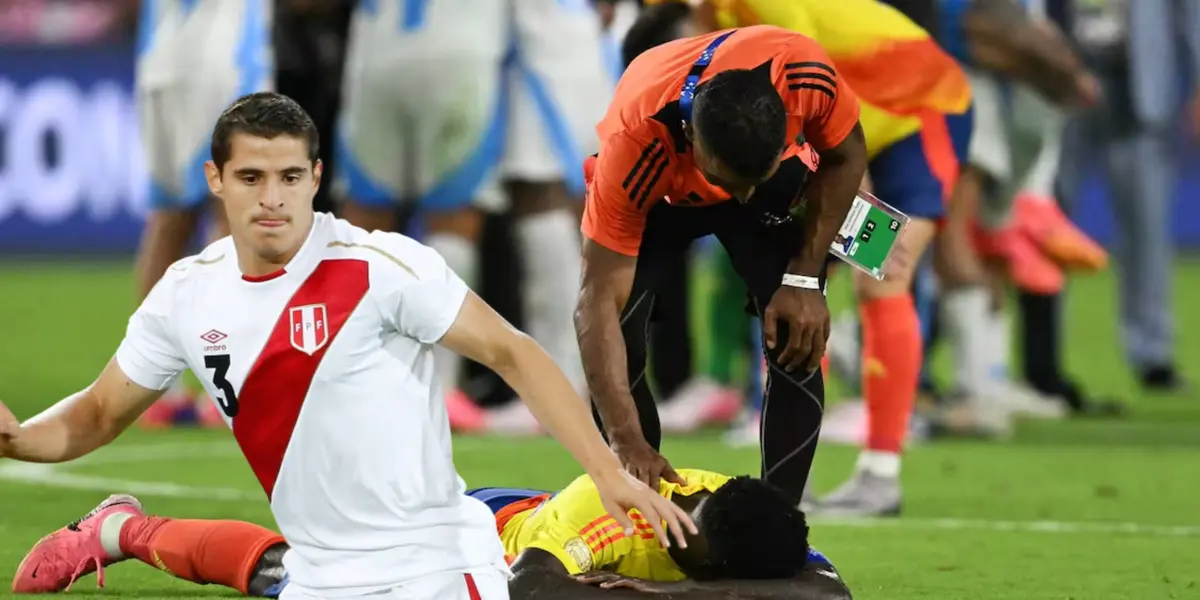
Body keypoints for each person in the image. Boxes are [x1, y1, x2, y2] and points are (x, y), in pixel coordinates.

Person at [0, 92, 693, 600]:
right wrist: (18, 439)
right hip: (316, 579)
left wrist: (607, 472)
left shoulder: (379, 267)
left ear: (316, 176)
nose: (272, 199)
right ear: (216, 180)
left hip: (438, 570)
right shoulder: (186, 293)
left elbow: (513, 352)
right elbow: (98, 413)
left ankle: (126, 532)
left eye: (289, 178)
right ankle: (122, 530)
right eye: (250, 178)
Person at [622, 1, 972, 516]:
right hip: (851, 127)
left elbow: (816, 82)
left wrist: (850, 195)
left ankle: (880, 474)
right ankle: (795, 480)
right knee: (796, 273)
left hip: (917, 107)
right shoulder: (693, 21)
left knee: (883, 273)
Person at [576, 23, 870, 506]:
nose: (743, 197)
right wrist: (625, 439)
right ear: (691, 135)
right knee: (620, 328)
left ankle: (776, 521)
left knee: (796, 332)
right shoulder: (634, 145)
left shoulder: (804, 73)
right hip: (666, 194)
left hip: (763, 170)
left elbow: (847, 153)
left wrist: (803, 277)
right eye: (729, 182)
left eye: (754, 180)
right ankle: (645, 506)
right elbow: (595, 303)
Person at [14, 471, 850, 600]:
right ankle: (123, 528)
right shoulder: (613, 507)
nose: (677, 541)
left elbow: (829, 592)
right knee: (303, 583)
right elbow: (534, 592)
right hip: (482, 538)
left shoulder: (751, 522)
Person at [333, 0, 509, 428]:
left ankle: (344, 380)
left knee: (363, 220)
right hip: (462, 45)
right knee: (452, 218)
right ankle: (440, 390)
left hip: (377, 50)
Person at [133, 0, 274, 428]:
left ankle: (156, 389)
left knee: (169, 220)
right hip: (226, 56)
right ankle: (225, 384)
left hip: (159, 59)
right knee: (232, 213)